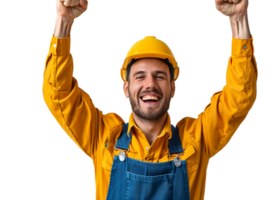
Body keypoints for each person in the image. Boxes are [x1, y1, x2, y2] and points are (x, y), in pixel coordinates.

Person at [41, 0, 260, 199]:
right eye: (140, 76)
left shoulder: (197, 139)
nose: (150, 84)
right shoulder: (102, 136)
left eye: (159, 76)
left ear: (173, 88)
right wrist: (63, 20)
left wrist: (238, 19)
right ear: (124, 88)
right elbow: (58, 95)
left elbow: (239, 96)